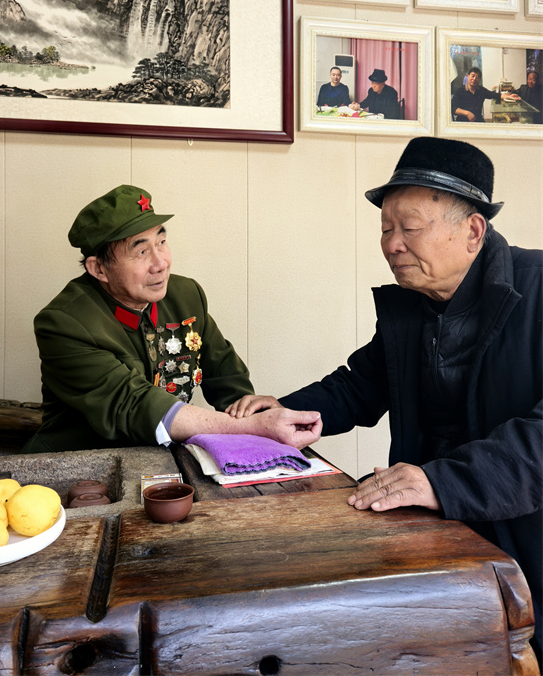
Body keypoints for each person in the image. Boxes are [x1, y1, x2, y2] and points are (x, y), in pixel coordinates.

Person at [225, 137, 542, 662]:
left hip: (525, 535)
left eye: (409, 228)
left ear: (473, 231)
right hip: (437, 534)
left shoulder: (537, 290)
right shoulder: (414, 304)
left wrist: (441, 480)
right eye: (385, 229)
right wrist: (282, 413)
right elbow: (360, 385)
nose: (392, 245)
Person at [22, 185, 321, 453]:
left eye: (162, 242)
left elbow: (227, 378)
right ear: (98, 269)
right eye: (141, 251)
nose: (161, 263)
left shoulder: (186, 295)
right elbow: (135, 405)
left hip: (165, 464)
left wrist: (251, 412)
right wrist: (253, 428)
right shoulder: (64, 323)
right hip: (80, 471)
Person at [451, 66, 519, 122]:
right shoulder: (460, 90)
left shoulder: (481, 90)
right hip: (462, 121)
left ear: (479, 79)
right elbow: (454, 108)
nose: (474, 79)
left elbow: (493, 95)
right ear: (468, 76)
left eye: (477, 77)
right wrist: (467, 113)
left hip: (477, 119)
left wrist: (508, 96)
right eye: (472, 76)